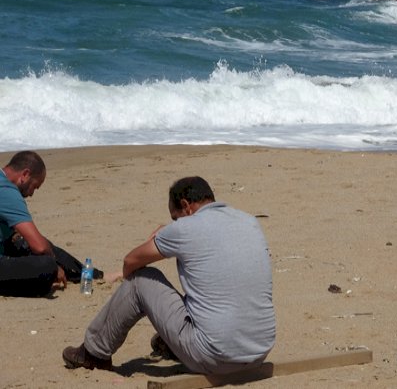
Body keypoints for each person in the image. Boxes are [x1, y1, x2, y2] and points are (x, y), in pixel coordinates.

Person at [62, 176, 276, 374]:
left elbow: (130, 263)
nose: (176, 223)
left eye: (176, 218)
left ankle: (93, 353)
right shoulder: (249, 221)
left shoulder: (184, 228)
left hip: (215, 357)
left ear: (186, 206)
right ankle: (172, 344)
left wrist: (160, 237)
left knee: (141, 280)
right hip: (258, 351)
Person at [0, 151, 101, 297]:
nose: (32, 194)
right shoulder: (8, 191)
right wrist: (55, 266)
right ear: (25, 175)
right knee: (46, 265)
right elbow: (39, 247)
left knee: (29, 242)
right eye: (34, 187)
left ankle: (91, 274)